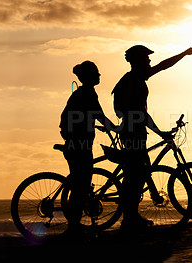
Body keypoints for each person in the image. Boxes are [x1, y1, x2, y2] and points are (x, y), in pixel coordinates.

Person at [112, 44, 192, 230]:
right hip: (132, 132)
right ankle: (129, 220)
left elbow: (162, 65)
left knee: (139, 172)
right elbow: (139, 114)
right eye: (146, 58)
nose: (150, 61)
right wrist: (159, 132)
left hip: (135, 131)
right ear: (138, 61)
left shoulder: (137, 78)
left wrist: (184, 53)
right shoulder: (133, 80)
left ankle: (132, 217)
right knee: (135, 174)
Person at [60, 61, 117, 236]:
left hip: (76, 143)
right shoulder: (88, 93)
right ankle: (73, 227)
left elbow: (91, 116)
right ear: (90, 76)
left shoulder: (83, 93)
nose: (99, 76)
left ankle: (74, 225)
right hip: (78, 145)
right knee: (80, 186)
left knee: (81, 184)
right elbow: (99, 114)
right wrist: (117, 128)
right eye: (97, 73)